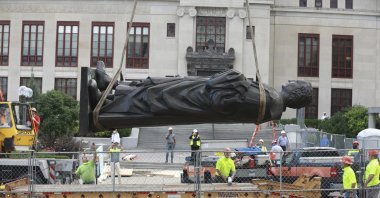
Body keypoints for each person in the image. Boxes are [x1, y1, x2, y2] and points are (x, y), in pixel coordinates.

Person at [85, 62, 313, 131]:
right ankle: (110, 88)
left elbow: (226, 102)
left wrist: (235, 78)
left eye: (293, 83)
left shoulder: (270, 103)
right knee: (160, 83)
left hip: (199, 99)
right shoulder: (272, 99)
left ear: (296, 92)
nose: (288, 81)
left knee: (155, 96)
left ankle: (103, 105)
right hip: (201, 92)